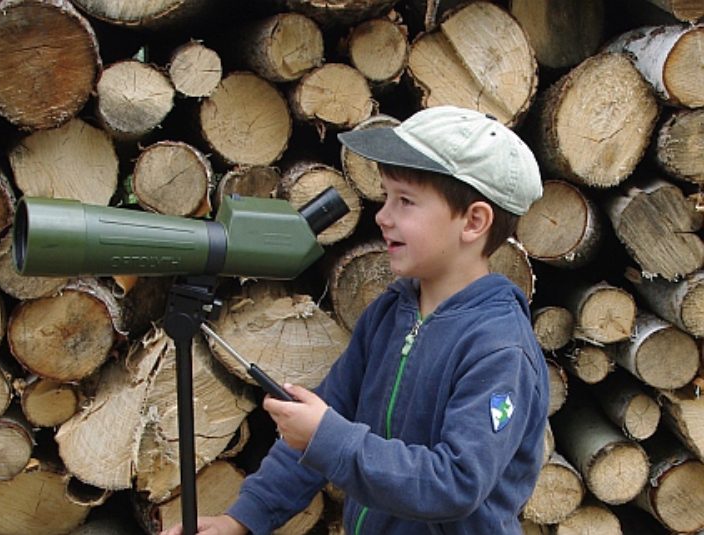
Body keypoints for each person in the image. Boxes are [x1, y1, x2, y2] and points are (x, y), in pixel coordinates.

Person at [161, 105, 549, 535]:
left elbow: (455, 483)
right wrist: (243, 519)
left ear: (474, 221)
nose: (383, 216)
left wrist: (327, 438)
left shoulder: (499, 349)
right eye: (385, 196)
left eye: (405, 201)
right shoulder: (390, 313)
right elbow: (317, 426)